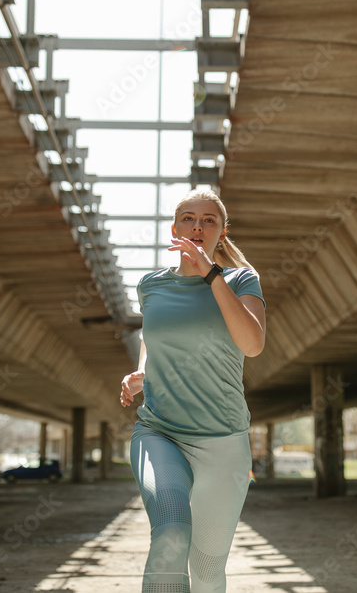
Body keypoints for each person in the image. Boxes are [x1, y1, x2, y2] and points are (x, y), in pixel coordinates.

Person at [120, 189, 266, 593]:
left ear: (221, 232)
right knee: (170, 532)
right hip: (159, 431)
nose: (196, 226)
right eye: (187, 217)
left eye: (208, 220)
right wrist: (141, 373)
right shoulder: (151, 286)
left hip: (224, 441)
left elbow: (252, 344)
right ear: (173, 228)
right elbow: (154, 336)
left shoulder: (241, 280)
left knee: (206, 572)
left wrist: (210, 275)